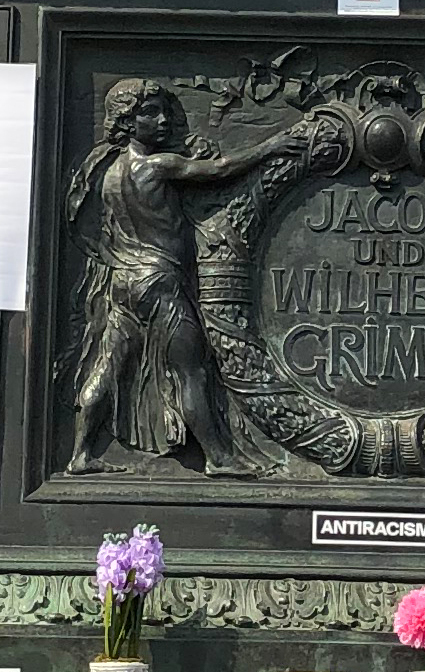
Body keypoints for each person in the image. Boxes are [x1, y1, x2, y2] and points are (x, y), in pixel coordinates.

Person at [61, 79, 299, 476]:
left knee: (107, 365)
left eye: (164, 110)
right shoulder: (158, 165)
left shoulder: (108, 174)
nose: (163, 120)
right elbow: (220, 170)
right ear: (126, 121)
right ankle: (220, 458)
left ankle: (81, 454)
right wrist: (270, 147)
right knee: (191, 371)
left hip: (123, 283)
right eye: (149, 113)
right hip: (159, 283)